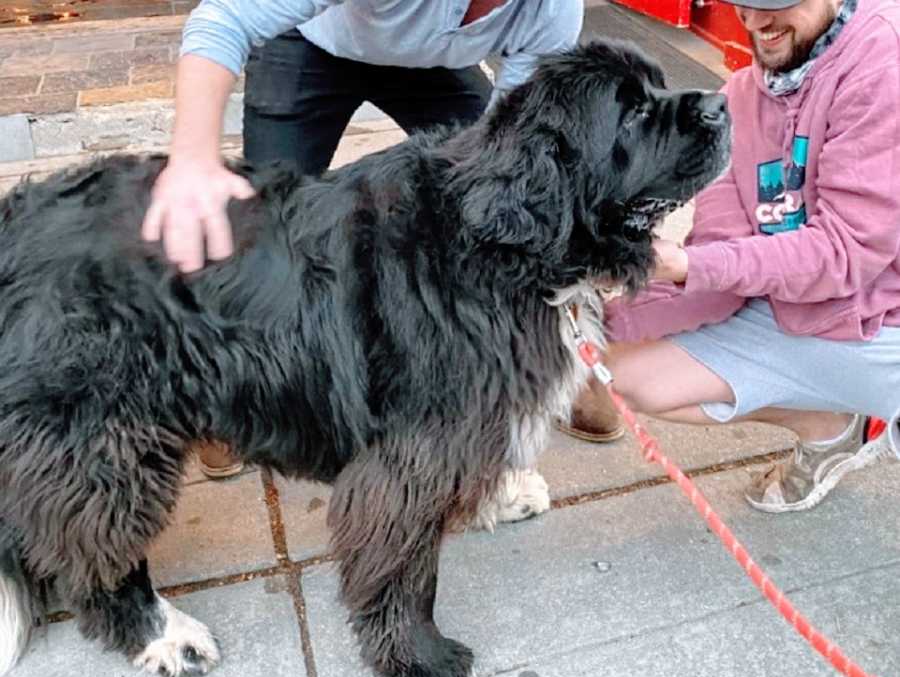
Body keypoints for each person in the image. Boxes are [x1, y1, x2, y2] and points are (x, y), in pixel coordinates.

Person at [141, 0, 624, 478]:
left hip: (434, 67)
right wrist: (192, 158)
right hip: (316, 45)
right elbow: (223, 18)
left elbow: (516, 152)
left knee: (503, 204)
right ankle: (229, 396)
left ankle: (555, 358)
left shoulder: (554, 10)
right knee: (264, 232)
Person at [572, 0, 900, 513]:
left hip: (884, 321)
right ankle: (828, 427)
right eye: (743, 3)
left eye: (775, 3)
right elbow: (720, 261)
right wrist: (599, 324)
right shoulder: (742, 98)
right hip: (801, 304)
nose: (753, 21)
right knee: (620, 373)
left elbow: (845, 253)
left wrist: (690, 266)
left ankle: (874, 400)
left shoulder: (884, 60)